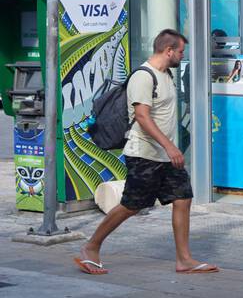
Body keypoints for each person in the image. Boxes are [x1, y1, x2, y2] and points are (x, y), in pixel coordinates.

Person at [75, 30, 219, 276]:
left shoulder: (167, 75)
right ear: (169, 50)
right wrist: (170, 145)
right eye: (181, 51)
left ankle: (184, 259)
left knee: (183, 198)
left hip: (165, 156)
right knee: (132, 205)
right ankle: (91, 247)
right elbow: (142, 117)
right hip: (144, 154)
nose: (182, 56)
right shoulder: (144, 77)